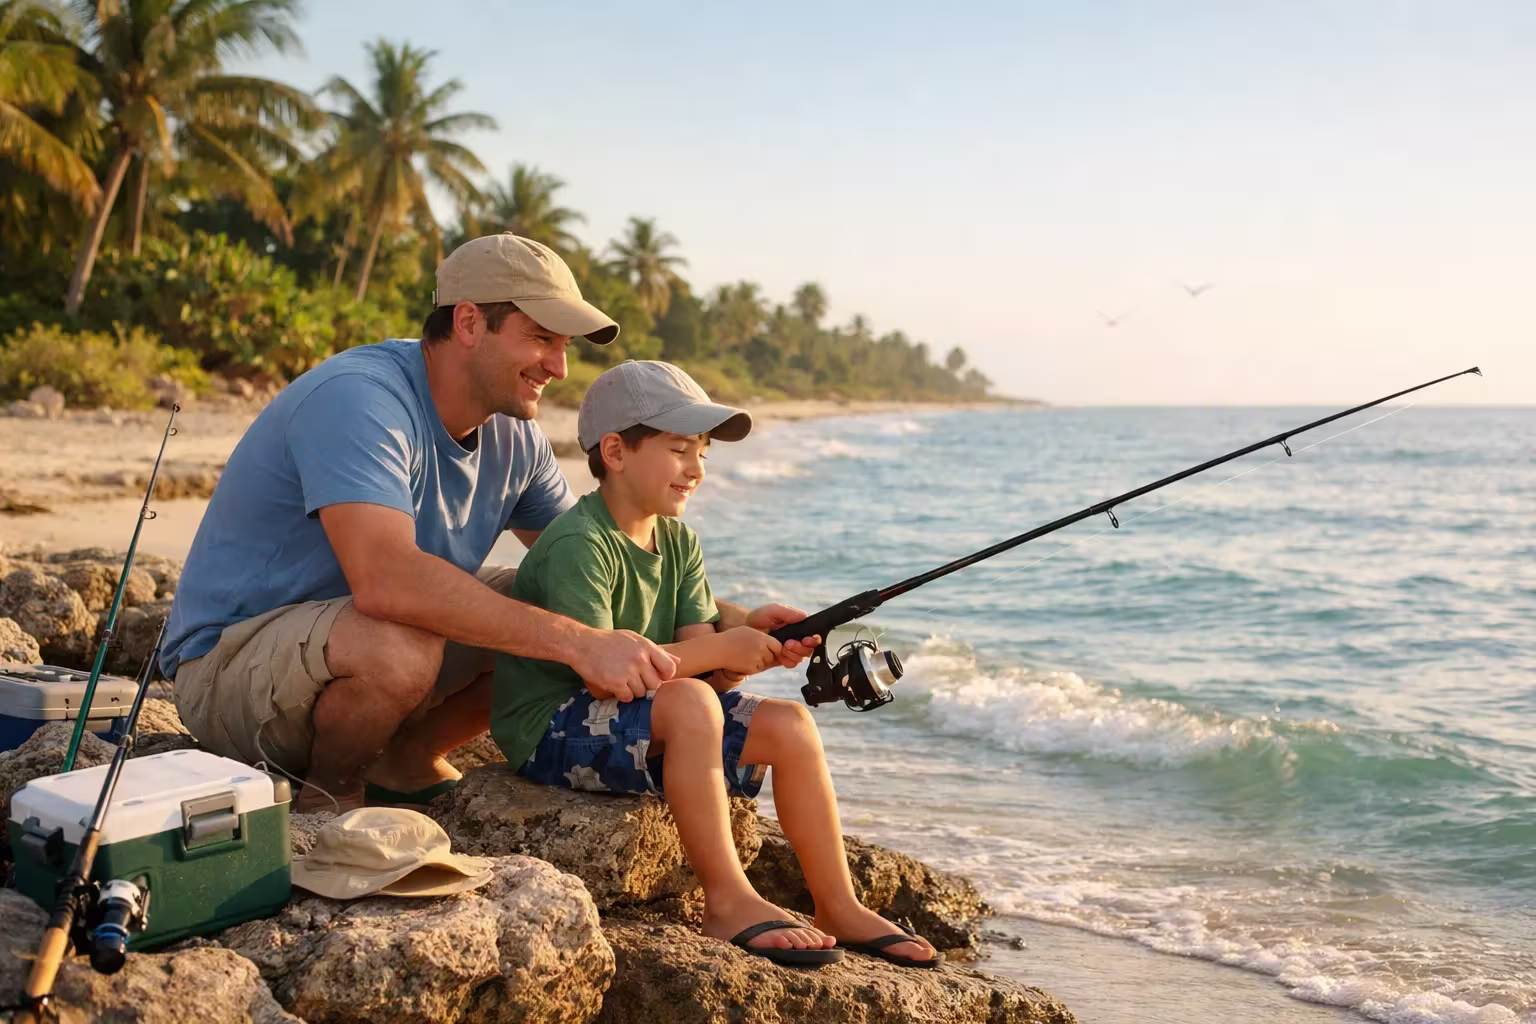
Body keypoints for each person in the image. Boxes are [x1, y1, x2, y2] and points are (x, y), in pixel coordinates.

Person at [160, 234, 813, 814]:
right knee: (410, 641)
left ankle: (404, 760)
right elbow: (385, 581)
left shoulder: (513, 438)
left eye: (562, 346)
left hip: (339, 658)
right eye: (540, 339)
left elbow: (597, 555)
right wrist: (580, 645)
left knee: (544, 590)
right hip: (229, 673)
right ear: (469, 322)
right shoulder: (360, 399)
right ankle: (331, 800)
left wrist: (737, 622)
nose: (558, 367)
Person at [490, 360, 941, 969]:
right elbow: (602, 672)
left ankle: (837, 902)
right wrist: (720, 654)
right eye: (679, 450)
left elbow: (700, 671)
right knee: (692, 703)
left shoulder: (678, 542)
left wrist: (743, 656)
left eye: (702, 453)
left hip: (649, 713)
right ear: (617, 451)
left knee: (789, 725)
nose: (696, 469)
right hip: (552, 726)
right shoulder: (579, 544)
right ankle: (726, 901)